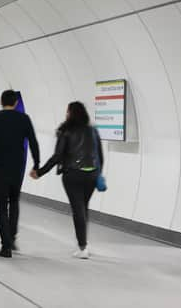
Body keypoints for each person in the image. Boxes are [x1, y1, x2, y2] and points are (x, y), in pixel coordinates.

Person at [30, 101, 103, 259]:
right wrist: (98, 174)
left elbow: (57, 156)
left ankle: (83, 247)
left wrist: (40, 172)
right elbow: (100, 156)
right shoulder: (93, 131)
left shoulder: (66, 132)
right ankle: (83, 243)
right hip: (91, 175)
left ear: (70, 113)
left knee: (78, 210)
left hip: (72, 175)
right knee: (83, 208)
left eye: (67, 112)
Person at [0, 90, 40, 258]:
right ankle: (11, 238)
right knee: (14, 201)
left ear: (1, 101)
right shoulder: (24, 119)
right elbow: (33, 142)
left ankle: (5, 246)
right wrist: (36, 165)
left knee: (1, 206)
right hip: (17, 168)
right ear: (15, 103)